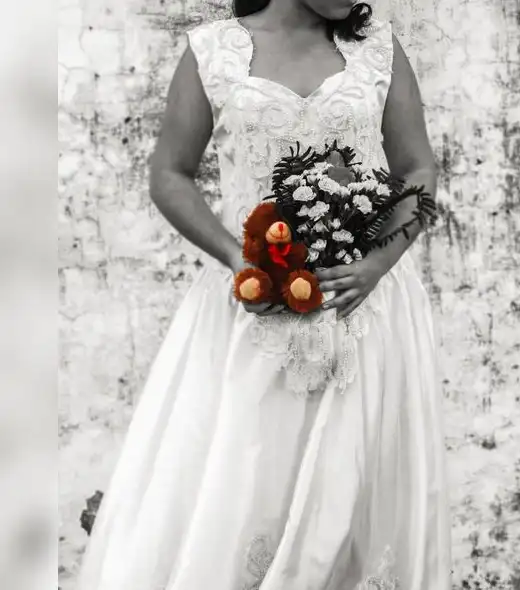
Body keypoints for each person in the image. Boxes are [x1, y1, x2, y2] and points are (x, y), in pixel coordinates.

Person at [76, 1, 450, 588]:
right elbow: (170, 173)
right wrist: (237, 258)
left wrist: (379, 264)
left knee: (354, 491)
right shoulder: (213, 51)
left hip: (367, 311)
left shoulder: (378, 49)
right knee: (243, 479)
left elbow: (418, 168)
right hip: (256, 307)